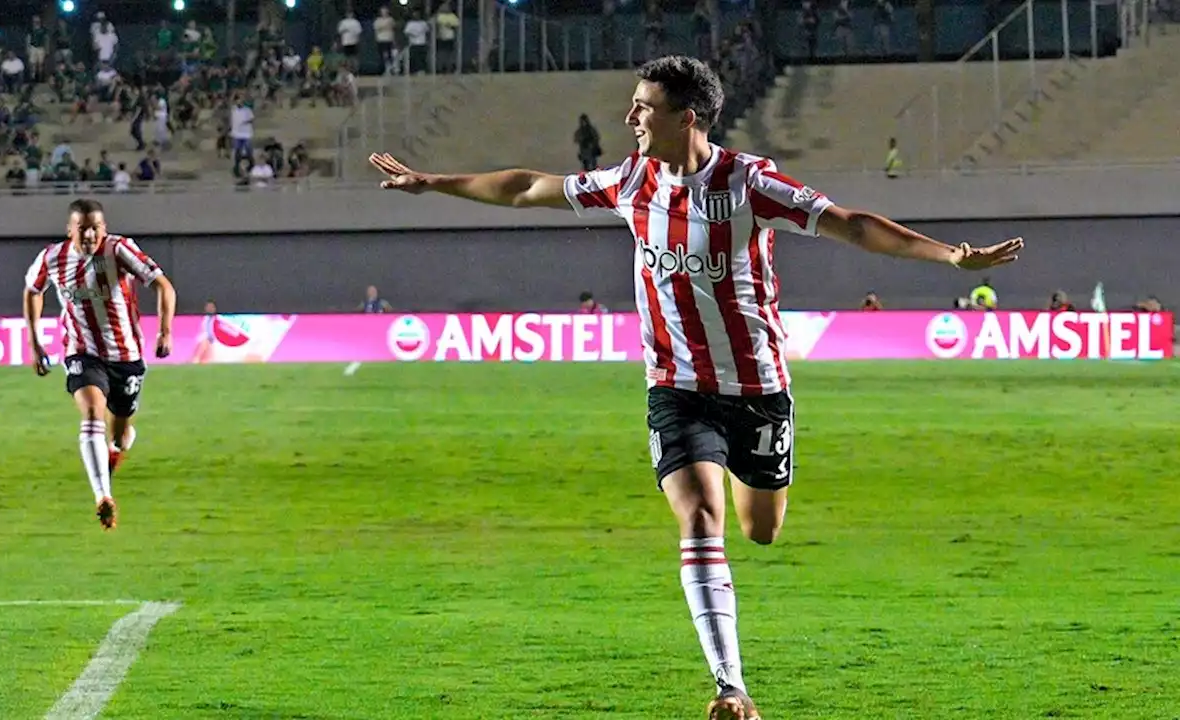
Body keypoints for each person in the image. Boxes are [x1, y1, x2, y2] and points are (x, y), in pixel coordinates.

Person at [367, 55, 1023, 720]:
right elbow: (526, 187)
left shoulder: (750, 184)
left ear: (687, 118)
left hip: (758, 389)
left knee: (760, 529)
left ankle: (738, 605)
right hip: (675, 385)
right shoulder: (630, 180)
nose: (630, 118)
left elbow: (850, 224)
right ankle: (730, 685)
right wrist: (432, 183)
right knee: (700, 517)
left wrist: (952, 255)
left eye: (643, 108)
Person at [23, 198, 177, 531]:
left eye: (96, 228)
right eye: (83, 229)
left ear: (103, 229)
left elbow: (163, 285)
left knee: (121, 433)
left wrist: (165, 331)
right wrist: (35, 344)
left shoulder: (120, 250)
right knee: (92, 411)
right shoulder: (52, 258)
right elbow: (33, 290)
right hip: (82, 352)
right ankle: (103, 496)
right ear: (70, 231)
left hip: (126, 356)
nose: (90, 235)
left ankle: (115, 450)